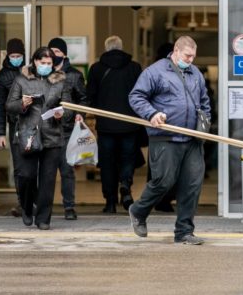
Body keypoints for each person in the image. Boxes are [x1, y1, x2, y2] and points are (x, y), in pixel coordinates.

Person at [128, 36, 211, 245]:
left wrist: (204, 125)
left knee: (191, 185)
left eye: (193, 56)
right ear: (176, 50)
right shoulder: (155, 71)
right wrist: (151, 114)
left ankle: (184, 232)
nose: (190, 60)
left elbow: (204, 102)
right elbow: (136, 96)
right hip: (165, 136)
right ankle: (138, 211)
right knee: (163, 182)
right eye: (187, 56)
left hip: (192, 139)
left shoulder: (196, 74)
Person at [5, 47, 80, 230]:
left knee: (47, 180)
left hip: (52, 135)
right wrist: (22, 104)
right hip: (28, 135)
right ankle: (27, 206)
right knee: (26, 175)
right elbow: (9, 106)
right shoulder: (22, 80)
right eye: (42, 62)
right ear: (35, 61)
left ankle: (43, 218)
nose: (46, 66)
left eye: (49, 63)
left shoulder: (60, 82)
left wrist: (61, 114)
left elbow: (69, 108)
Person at [86, 35, 143, 214]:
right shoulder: (134, 68)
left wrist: (98, 112)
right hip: (130, 124)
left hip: (105, 125)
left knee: (107, 163)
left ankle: (110, 202)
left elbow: (90, 96)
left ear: (106, 48)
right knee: (128, 158)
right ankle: (125, 185)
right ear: (121, 47)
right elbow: (141, 94)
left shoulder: (96, 69)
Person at [48, 37, 87, 220]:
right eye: (51, 51)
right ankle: (43, 206)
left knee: (66, 171)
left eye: (57, 51)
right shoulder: (43, 73)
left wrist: (81, 113)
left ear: (64, 54)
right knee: (46, 172)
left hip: (66, 128)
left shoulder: (74, 75)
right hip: (46, 129)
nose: (54, 55)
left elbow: (84, 99)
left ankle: (69, 207)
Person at [0, 37, 26, 217]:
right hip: (15, 126)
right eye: (13, 55)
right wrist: (0, 133)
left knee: (34, 166)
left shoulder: (31, 71)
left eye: (18, 55)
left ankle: (34, 201)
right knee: (19, 166)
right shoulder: (3, 75)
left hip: (34, 126)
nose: (16, 58)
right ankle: (22, 203)